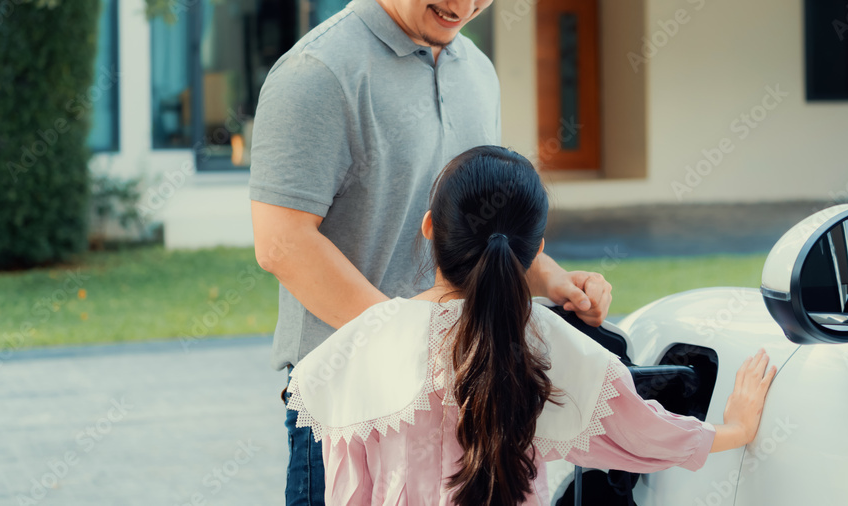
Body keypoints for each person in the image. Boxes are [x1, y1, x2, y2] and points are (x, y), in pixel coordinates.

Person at [248, 1, 614, 504]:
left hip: (463, 389)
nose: (464, 6)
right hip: (352, 399)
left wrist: (552, 278)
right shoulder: (317, 73)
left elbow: (480, 218)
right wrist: (409, 344)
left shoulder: (477, 70)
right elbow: (281, 243)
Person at [285, 146, 777, 505]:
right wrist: (734, 428)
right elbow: (641, 432)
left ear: (430, 227)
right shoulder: (543, 337)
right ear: (536, 250)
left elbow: (348, 490)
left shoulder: (356, 346)